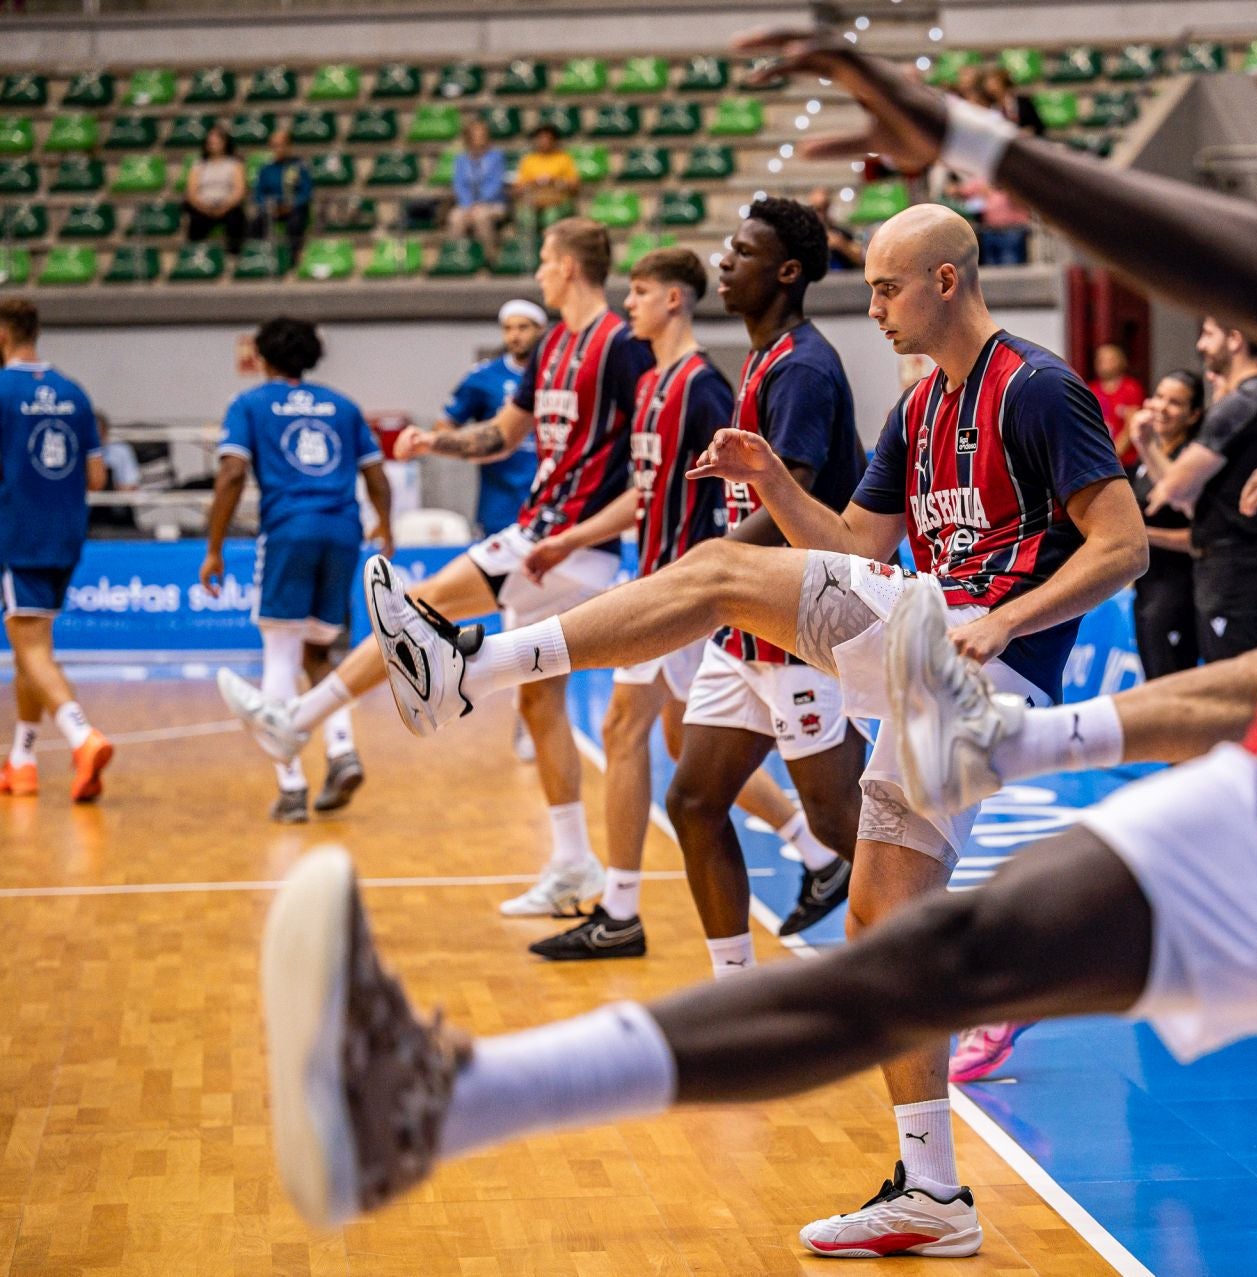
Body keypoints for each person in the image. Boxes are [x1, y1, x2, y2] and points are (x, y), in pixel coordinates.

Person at [259, 4, 1257, 1273]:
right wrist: (1048, 735)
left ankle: (468, 678)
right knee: (920, 947)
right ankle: (439, 1101)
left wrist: (977, 144)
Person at [334, 201, 1141, 1257]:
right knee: (887, 932)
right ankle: (935, 1191)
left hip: (978, 660)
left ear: (948, 280)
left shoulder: (1037, 387)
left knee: (713, 575)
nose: (879, 308)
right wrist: (771, 481)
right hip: (934, 676)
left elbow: (1120, 544)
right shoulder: (916, 409)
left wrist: (1007, 618)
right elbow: (857, 536)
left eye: (891, 288)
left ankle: (465, 665)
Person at [220, 218, 647, 915]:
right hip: (546, 541)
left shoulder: (623, 347)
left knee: (412, 608)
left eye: (544, 260)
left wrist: (587, 533)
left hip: (562, 540)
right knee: (541, 705)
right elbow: (501, 436)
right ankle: (572, 862)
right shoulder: (549, 351)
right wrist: (435, 443)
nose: (537, 272)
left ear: (568, 267)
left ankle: (297, 718)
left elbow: (650, 455)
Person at [518, 235, 854, 959]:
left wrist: (709, 572)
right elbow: (652, 493)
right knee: (680, 756)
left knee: (625, 731)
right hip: (675, 582)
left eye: (637, 293)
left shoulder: (707, 382)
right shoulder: (651, 384)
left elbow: (758, 490)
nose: (627, 303)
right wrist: (578, 538)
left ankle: (621, 906)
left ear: (673, 298)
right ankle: (817, 858)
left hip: (695, 588)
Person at [656, 198, 869, 950]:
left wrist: (699, 572)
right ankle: (734, 987)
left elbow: (790, 503)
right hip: (749, 620)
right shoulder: (764, 357)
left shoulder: (805, 366)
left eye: (741, 251)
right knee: (692, 799)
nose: (723, 260)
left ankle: (970, 962)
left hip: (801, 618)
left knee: (841, 819)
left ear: (785, 271)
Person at [201, 318, 394, 822]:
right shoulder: (343, 405)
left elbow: (232, 474)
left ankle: (290, 786)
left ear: (261, 359)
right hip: (343, 532)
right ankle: (342, 751)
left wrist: (214, 547)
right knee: (318, 651)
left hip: (289, 529)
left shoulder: (249, 404)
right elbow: (376, 474)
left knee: (281, 652)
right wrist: (387, 527)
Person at [0, 297, 113, 803]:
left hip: (15, 534)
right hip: (66, 535)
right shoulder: (74, 392)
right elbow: (96, 474)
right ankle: (21, 760)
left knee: (29, 647)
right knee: (34, 647)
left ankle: (81, 737)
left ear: (2, 337)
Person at [1146, 317, 1257, 662]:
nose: (1200, 346)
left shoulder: (1244, 402)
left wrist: (1146, 444)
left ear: (1236, 339)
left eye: (1209, 335)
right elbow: (1184, 496)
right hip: (1232, 565)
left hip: (1236, 568)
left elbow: (1174, 487)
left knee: (1235, 690)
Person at [434, 300, 545, 539]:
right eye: (508, 328)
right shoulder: (484, 377)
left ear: (541, 329)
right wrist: (475, 444)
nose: (515, 336)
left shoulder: (558, 373)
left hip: (549, 501)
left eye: (523, 328)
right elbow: (444, 426)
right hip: (500, 505)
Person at [1123, 371, 1203, 681]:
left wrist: (1144, 536)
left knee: (1170, 679)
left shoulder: (1191, 461)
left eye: (1175, 402)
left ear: (1193, 414)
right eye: (1159, 397)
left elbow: (1201, 536)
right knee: (1152, 677)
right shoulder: (1146, 457)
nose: (1162, 407)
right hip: (1147, 587)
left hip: (1179, 589)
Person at [184, 124, 247, 256]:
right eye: (210, 142)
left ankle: (234, 255)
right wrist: (204, 207)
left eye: (216, 141)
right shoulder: (199, 165)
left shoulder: (235, 164)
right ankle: (194, 256)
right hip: (203, 207)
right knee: (195, 221)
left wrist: (224, 207)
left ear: (225, 143)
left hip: (228, 207)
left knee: (236, 218)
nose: (212, 144)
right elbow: (191, 193)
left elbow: (239, 191)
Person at [448, 119, 508, 260]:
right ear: (468, 137)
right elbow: (459, 184)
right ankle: (460, 258)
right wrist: (468, 205)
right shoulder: (461, 160)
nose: (479, 137)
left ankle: (489, 259)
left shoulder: (496, 157)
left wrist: (480, 203)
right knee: (455, 217)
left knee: (481, 217)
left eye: (482, 134)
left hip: (493, 204)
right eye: (476, 134)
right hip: (467, 205)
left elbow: (496, 184)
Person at [252, 128, 312, 265]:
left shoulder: (299, 166)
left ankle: (291, 259)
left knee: (295, 222)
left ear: (289, 146)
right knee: (255, 224)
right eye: (274, 145)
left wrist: (292, 205)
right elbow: (259, 194)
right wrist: (269, 206)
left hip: (294, 208)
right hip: (272, 208)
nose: (278, 149)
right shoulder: (266, 169)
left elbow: (306, 192)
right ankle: (257, 258)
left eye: (281, 145)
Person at [512, 125, 580, 235]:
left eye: (547, 139)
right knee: (525, 216)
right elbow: (517, 188)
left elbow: (575, 186)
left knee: (551, 217)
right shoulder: (529, 160)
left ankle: (551, 248)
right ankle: (529, 250)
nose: (544, 142)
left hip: (558, 203)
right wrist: (533, 183)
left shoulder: (564, 158)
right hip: (533, 202)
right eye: (540, 139)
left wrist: (556, 181)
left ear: (554, 141)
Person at [1090, 341, 1145, 465]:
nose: (1104, 363)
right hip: (1098, 459)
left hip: (1126, 461)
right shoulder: (1090, 390)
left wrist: (1113, 454)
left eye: (1110, 359)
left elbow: (1131, 425)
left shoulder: (1131, 388)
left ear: (1122, 361)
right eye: (1101, 359)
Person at [807, 186, 865, 270]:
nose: (822, 213)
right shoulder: (804, 235)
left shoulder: (841, 233)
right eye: (817, 209)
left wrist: (841, 244)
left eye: (825, 207)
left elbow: (861, 260)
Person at [982, 66, 1045, 137]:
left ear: (1003, 83)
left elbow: (1039, 126)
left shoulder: (1023, 103)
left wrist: (1030, 130)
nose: (990, 86)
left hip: (1023, 142)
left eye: (994, 83)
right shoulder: (986, 105)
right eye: (988, 83)